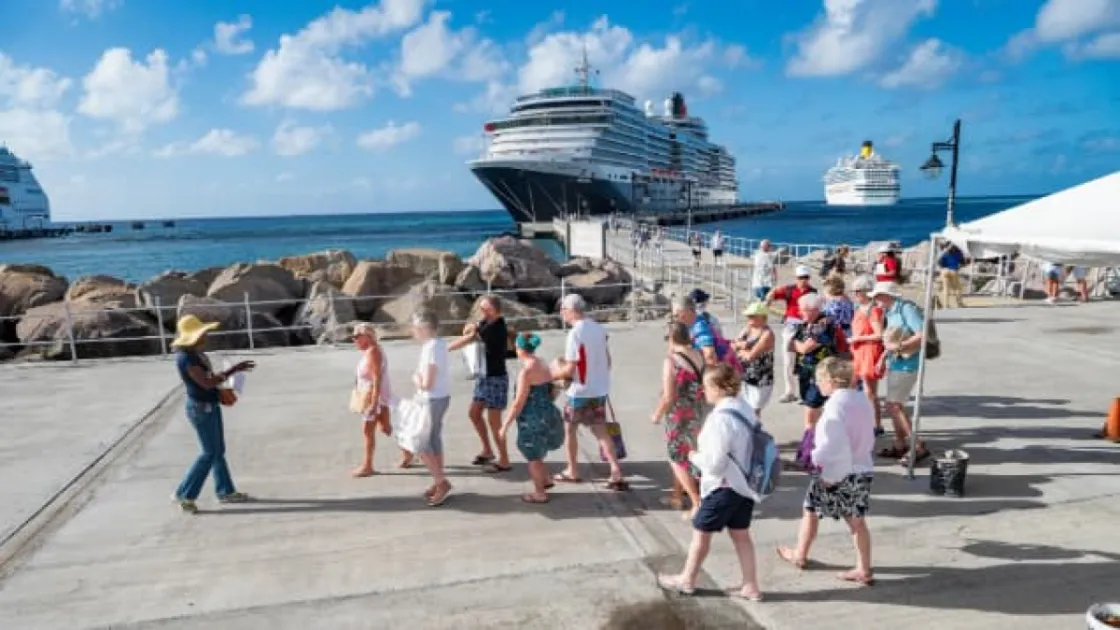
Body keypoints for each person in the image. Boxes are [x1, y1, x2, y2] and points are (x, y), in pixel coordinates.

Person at [657, 363, 762, 601]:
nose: (703, 391)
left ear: (717, 387)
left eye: (705, 386)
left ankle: (687, 579)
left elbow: (715, 463)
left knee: (701, 534)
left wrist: (694, 456)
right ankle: (750, 586)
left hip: (723, 487)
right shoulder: (745, 408)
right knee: (741, 536)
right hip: (744, 486)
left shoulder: (720, 419)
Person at [776, 357, 876, 587]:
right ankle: (864, 568)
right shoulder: (862, 400)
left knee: (810, 509)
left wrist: (823, 469)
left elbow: (832, 446)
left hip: (837, 471)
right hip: (862, 467)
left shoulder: (833, 407)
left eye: (819, 380)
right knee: (857, 521)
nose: (817, 384)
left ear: (831, 381)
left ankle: (800, 555)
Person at [171, 315, 255, 514]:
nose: (205, 336)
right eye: (202, 333)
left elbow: (208, 380)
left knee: (217, 451)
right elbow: (206, 383)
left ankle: (225, 491)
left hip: (209, 404)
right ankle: (186, 495)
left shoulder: (195, 354)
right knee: (209, 453)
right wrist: (233, 370)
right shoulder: (187, 359)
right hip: (201, 409)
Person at [551, 294, 628, 490]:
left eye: (563, 309)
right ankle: (615, 470)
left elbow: (570, 369)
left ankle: (572, 470)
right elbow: (608, 361)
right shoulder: (598, 329)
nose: (561, 313)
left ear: (571, 310)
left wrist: (550, 375)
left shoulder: (575, 334)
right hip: (599, 389)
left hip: (579, 391)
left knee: (570, 430)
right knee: (600, 430)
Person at [868, 282, 931, 464]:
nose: (875, 299)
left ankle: (916, 444)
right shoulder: (891, 312)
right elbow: (890, 340)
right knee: (895, 405)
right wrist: (883, 358)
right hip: (897, 363)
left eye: (877, 296)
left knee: (893, 405)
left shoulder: (906, 309)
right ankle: (900, 444)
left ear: (887, 295)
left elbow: (922, 333)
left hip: (907, 363)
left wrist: (900, 346)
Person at [498, 332, 564, 504]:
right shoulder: (542, 362)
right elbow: (551, 388)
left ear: (520, 349)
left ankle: (540, 493)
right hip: (547, 412)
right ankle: (545, 479)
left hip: (531, 418)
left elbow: (518, 402)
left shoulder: (526, 372)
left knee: (532, 456)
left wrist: (505, 426)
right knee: (539, 449)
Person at [448, 295, 511, 473]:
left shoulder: (496, 327)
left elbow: (469, 337)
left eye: (485, 308)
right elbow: (469, 328)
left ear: (495, 310)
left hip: (496, 379)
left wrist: (446, 348)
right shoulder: (486, 321)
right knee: (474, 413)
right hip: (484, 377)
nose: (482, 311)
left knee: (495, 422)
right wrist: (472, 326)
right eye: (481, 308)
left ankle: (504, 459)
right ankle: (488, 450)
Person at [651, 322, 707, 519]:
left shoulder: (671, 361)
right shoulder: (698, 354)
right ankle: (677, 496)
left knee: (676, 458)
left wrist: (657, 414)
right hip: (697, 411)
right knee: (689, 453)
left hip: (678, 415)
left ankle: (696, 502)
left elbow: (668, 396)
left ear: (672, 339)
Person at [411, 310, 453, 507]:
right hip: (441, 397)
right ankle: (439, 480)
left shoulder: (431, 348)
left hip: (431, 399)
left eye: (415, 328)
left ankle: (441, 482)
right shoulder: (440, 343)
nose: (413, 332)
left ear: (423, 328)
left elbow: (427, 383)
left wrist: (416, 378)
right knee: (433, 439)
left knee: (420, 442)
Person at [351, 322, 403, 477]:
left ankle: (367, 466)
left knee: (368, 431)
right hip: (376, 396)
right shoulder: (371, 350)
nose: (354, 339)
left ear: (367, 336)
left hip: (374, 397)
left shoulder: (373, 352)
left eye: (357, 336)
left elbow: (376, 378)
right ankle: (410, 451)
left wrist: (374, 403)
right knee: (386, 428)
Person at [764, 266, 817, 403]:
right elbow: (773, 294)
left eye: (806, 277)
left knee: (806, 361)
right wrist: (768, 299)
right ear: (796, 278)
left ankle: (806, 392)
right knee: (788, 361)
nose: (803, 280)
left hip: (806, 327)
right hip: (791, 327)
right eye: (801, 277)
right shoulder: (789, 289)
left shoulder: (813, 292)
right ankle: (789, 392)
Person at [849, 275, 886, 436]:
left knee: (870, 392)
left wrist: (857, 338)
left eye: (857, 291)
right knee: (862, 390)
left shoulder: (873, 310)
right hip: (860, 351)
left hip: (869, 351)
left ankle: (876, 425)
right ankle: (868, 422)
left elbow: (879, 335)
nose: (855, 294)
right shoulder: (861, 308)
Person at [734, 302, 775, 420]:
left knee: (754, 411)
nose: (749, 318)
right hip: (744, 375)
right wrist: (741, 346)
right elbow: (733, 346)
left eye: (752, 316)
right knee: (743, 408)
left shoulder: (767, 334)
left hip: (760, 379)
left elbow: (750, 356)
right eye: (748, 316)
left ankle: (754, 430)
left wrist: (741, 347)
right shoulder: (748, 329)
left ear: (763, 317)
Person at [821, 274, 854, 339]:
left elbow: (830, 319)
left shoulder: (833, 303)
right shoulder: (848, 301)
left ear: (830, 289)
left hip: (836, 334)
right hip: (848, 333)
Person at [937, 243, 967, 308]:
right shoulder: (958, 252)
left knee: (946, 288)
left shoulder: (945, 252)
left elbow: (940, 263)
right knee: (957, 288)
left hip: (944, 271)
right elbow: (963, 263)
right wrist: (959, 266)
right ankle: (960, 303)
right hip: (953, 270)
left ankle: (946, 305)